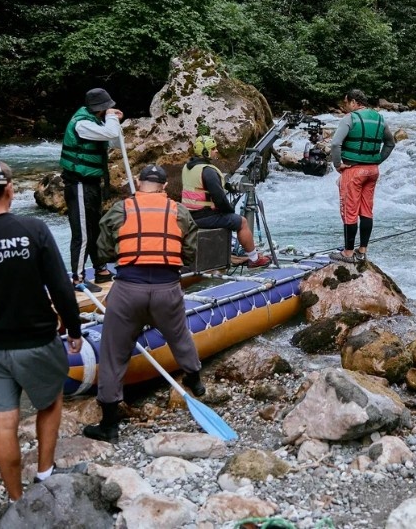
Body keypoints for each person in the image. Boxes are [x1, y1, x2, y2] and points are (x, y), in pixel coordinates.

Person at [0, 160, 84, 500]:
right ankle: (45, 472)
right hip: (36, 339)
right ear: (8, 188)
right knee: (50, 402)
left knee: (3, 421)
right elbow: (61, 287)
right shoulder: (34, 229)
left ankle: (16, 498)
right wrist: (75, 329)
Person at [85, 165, 204, 443]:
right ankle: (195, 379)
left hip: (128, 289)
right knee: (179, 335)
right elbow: (190, 252)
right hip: (167, 289)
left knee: (114, 352)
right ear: (164, 186)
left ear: (138, 183)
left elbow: (102, 249)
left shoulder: (120, 209)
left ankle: (109, 425)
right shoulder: (179, 211)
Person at [60, 87, 122, 292]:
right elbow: (111, 132)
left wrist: (113, 120)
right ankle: (77, 279)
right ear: (100, 108)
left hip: (92, 184)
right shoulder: (82, 124)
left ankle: (101, 270)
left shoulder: (95, 121)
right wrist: (112, 117)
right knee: (83, 233)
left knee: (96, 229)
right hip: (78, 184)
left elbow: (114, 139)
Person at [181, 135, 271, 268]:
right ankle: (254, 259)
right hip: (204, 217)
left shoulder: (187, 168)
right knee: (241, 222)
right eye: (213, 148)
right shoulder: (208, 171)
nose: (216, 151)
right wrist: (230, 211)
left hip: (188, 216)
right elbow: (220, 199)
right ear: (205, 152)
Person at [328, 88, 396, 263]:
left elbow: (335, 144)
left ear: (353, 102)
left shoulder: (350, 118)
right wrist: (377, 160)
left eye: (346, 102)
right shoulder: (380, 118)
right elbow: (390, 143)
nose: (345, 106)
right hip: (372, 171)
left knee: (349, 211)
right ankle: (362, 251)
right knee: (366, 210)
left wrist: (337, 164)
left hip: (353, 171)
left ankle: (348, 253)